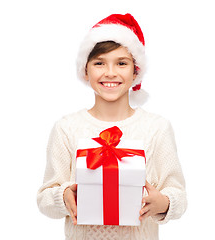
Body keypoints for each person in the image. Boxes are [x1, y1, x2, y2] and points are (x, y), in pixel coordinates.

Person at [37, 13, 187, 240]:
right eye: (99, 63)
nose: (110, 72)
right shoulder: (66, 128)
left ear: (136, 71)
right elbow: (45, 199)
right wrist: (63, 196)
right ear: (85, 70)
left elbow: (179, 195)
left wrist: (163, 203)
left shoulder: (156, 128)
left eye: (121, 63)